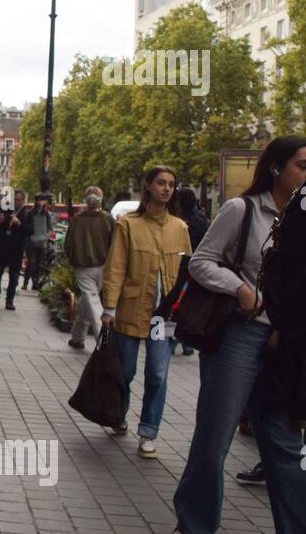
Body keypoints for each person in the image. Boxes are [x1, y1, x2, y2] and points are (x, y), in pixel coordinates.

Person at [171, 137, 306, 534]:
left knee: (284, 443)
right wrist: (239, 288)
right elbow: (201, 262)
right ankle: (192, 523)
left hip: (283, 342)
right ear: (276, 168)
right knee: (215, 434)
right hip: (239, 335)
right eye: (302, 166)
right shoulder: (243, 210)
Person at [100, 165, 191, 458]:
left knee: (158, 375)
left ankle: (148, 432)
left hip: (164, 316)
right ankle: (119, 413)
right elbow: (116, 266)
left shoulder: (180, 227)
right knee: (125, 371)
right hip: (131, 307)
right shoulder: (128, 224)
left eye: (171, 184)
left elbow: (189, 270)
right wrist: (109, 307)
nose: (167, 188)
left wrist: (185, 307)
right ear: (148, 186)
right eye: (161, 183)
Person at [65, 186, 113, 350]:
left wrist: (73, 259)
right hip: (104, 266)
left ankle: (105, 344)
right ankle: (77, 337)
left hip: (83, 268)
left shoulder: (77, 220)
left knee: (93, 304)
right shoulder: (108, 219)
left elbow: (68, 244)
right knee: (88, 302)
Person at [175, 188, 210, 357]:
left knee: (178, 303)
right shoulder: (202, 219)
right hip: (197, 267)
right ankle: (186, 343)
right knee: (188, 304)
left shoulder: (184, 221)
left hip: (184, 265)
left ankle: (176, 339)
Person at [0, 198, 24, 311]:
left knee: (14, 278)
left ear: (22, 201)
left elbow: (29, 230)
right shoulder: (4, 212)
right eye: (15, 199)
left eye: (19, 199)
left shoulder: (26, 214)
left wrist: (19, 223)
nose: (16, 201)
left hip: (16, 250)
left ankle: (10, 301)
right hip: (2, 249)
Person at [21, 193, 54, 289]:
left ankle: (35, 283)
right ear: (36, 201)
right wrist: (31, 234)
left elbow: (50, 229)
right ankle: (26, 282)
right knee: (32, 262)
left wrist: (46, 236)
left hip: (42, 243)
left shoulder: (47, 214)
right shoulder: (30, 213)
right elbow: (25, 227)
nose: (42, 202)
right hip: (31, 242)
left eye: (43, 201)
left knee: (39, 264)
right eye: (40, 200)